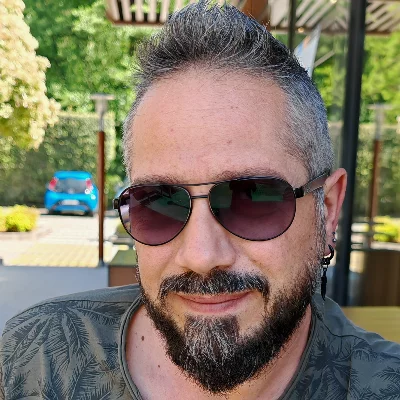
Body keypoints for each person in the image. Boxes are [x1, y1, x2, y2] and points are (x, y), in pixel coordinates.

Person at [1, 2, 400, 399]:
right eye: (159, 203)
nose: (201, 256)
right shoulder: (34, 357)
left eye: (253, 200)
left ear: (327, 210)